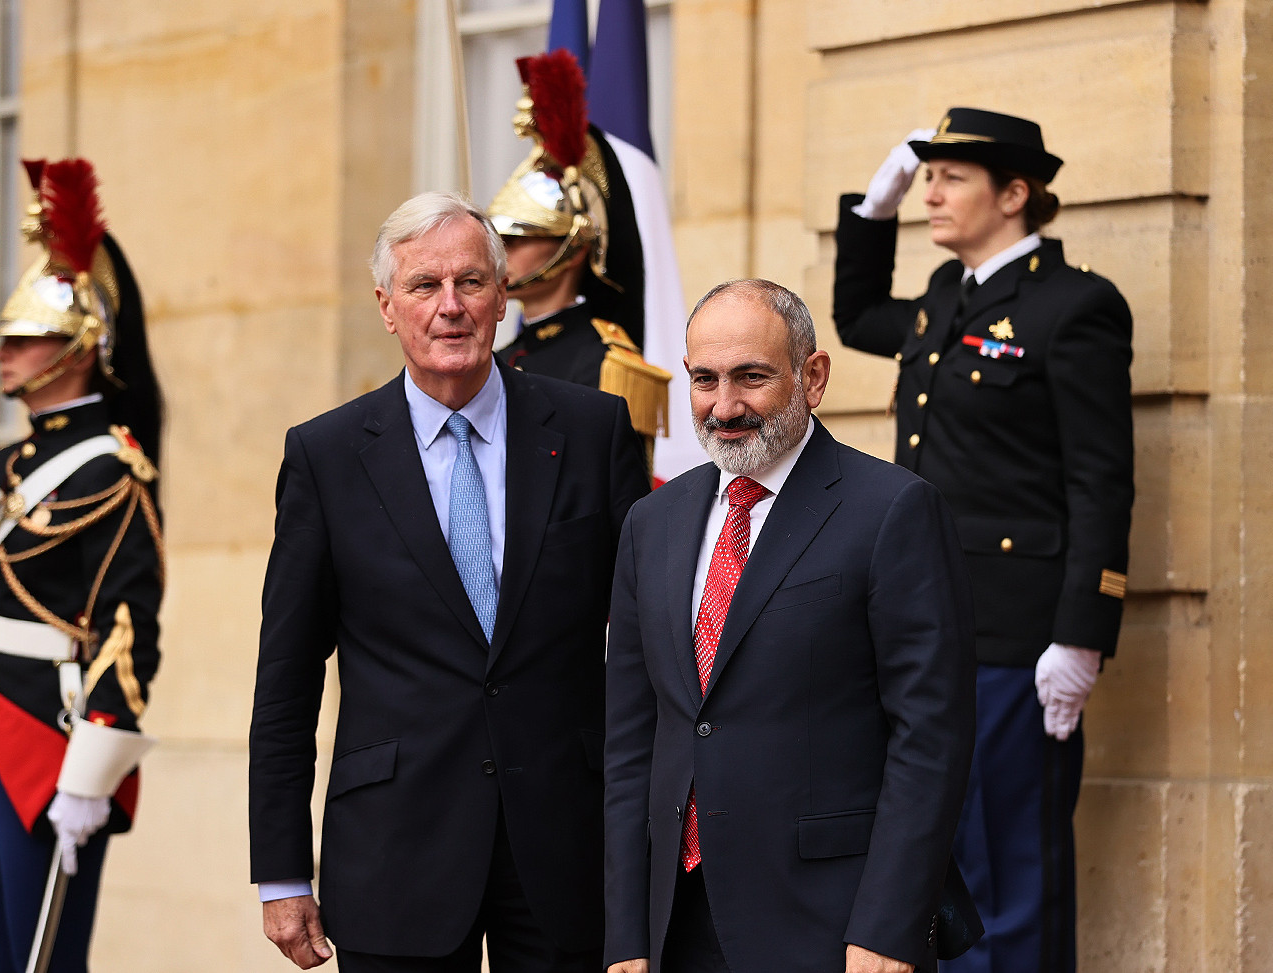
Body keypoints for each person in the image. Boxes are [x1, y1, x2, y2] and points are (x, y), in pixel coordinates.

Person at [248, 191, 650, 973]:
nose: (450, 306)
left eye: (471, 282)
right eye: (424, 286)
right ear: (386, 307)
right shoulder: (325, 457)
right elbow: (286, 681)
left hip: (570, 848)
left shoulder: (594, 431)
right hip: (395, 853)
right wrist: (283, 870)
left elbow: (644, 645)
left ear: (504, 299)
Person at [832, 107, 1135, 973]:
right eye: (924, 176)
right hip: (922, 628)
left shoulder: (1075, 307)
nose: (930, 191)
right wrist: (871, 210)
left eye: (950, 177)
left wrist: (1081, 634)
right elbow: (854, 317)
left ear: (1016, 193)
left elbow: (1100, 481)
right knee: (940, 859)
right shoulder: (942, 300)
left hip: (1016, 638)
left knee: (1012, 865)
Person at [603, 278, 980, 973]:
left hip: (832, 927)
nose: (726, 405)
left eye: (752, 377)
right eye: (705, 379)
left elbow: (931, 739)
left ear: (814, 376)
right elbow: (632, 741)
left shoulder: (893, 510)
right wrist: (626, 932)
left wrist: (890, 927)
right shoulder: (650, 523)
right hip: (675, 925)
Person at [0, 158, 165, 973]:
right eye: (10, 337)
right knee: (0, 956)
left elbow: (129, 634)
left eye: (27, 339)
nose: (7, 354)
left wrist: (91, 771)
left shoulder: (112, 469)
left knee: (43, 963)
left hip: (48, 739)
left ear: (81, 345)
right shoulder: (14, 460)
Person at [487, 49, 670, 453]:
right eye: (497, 242)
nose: (500, 255)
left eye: (516, 241)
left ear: (573, 247)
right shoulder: (495, 359)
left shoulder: (607, 364)